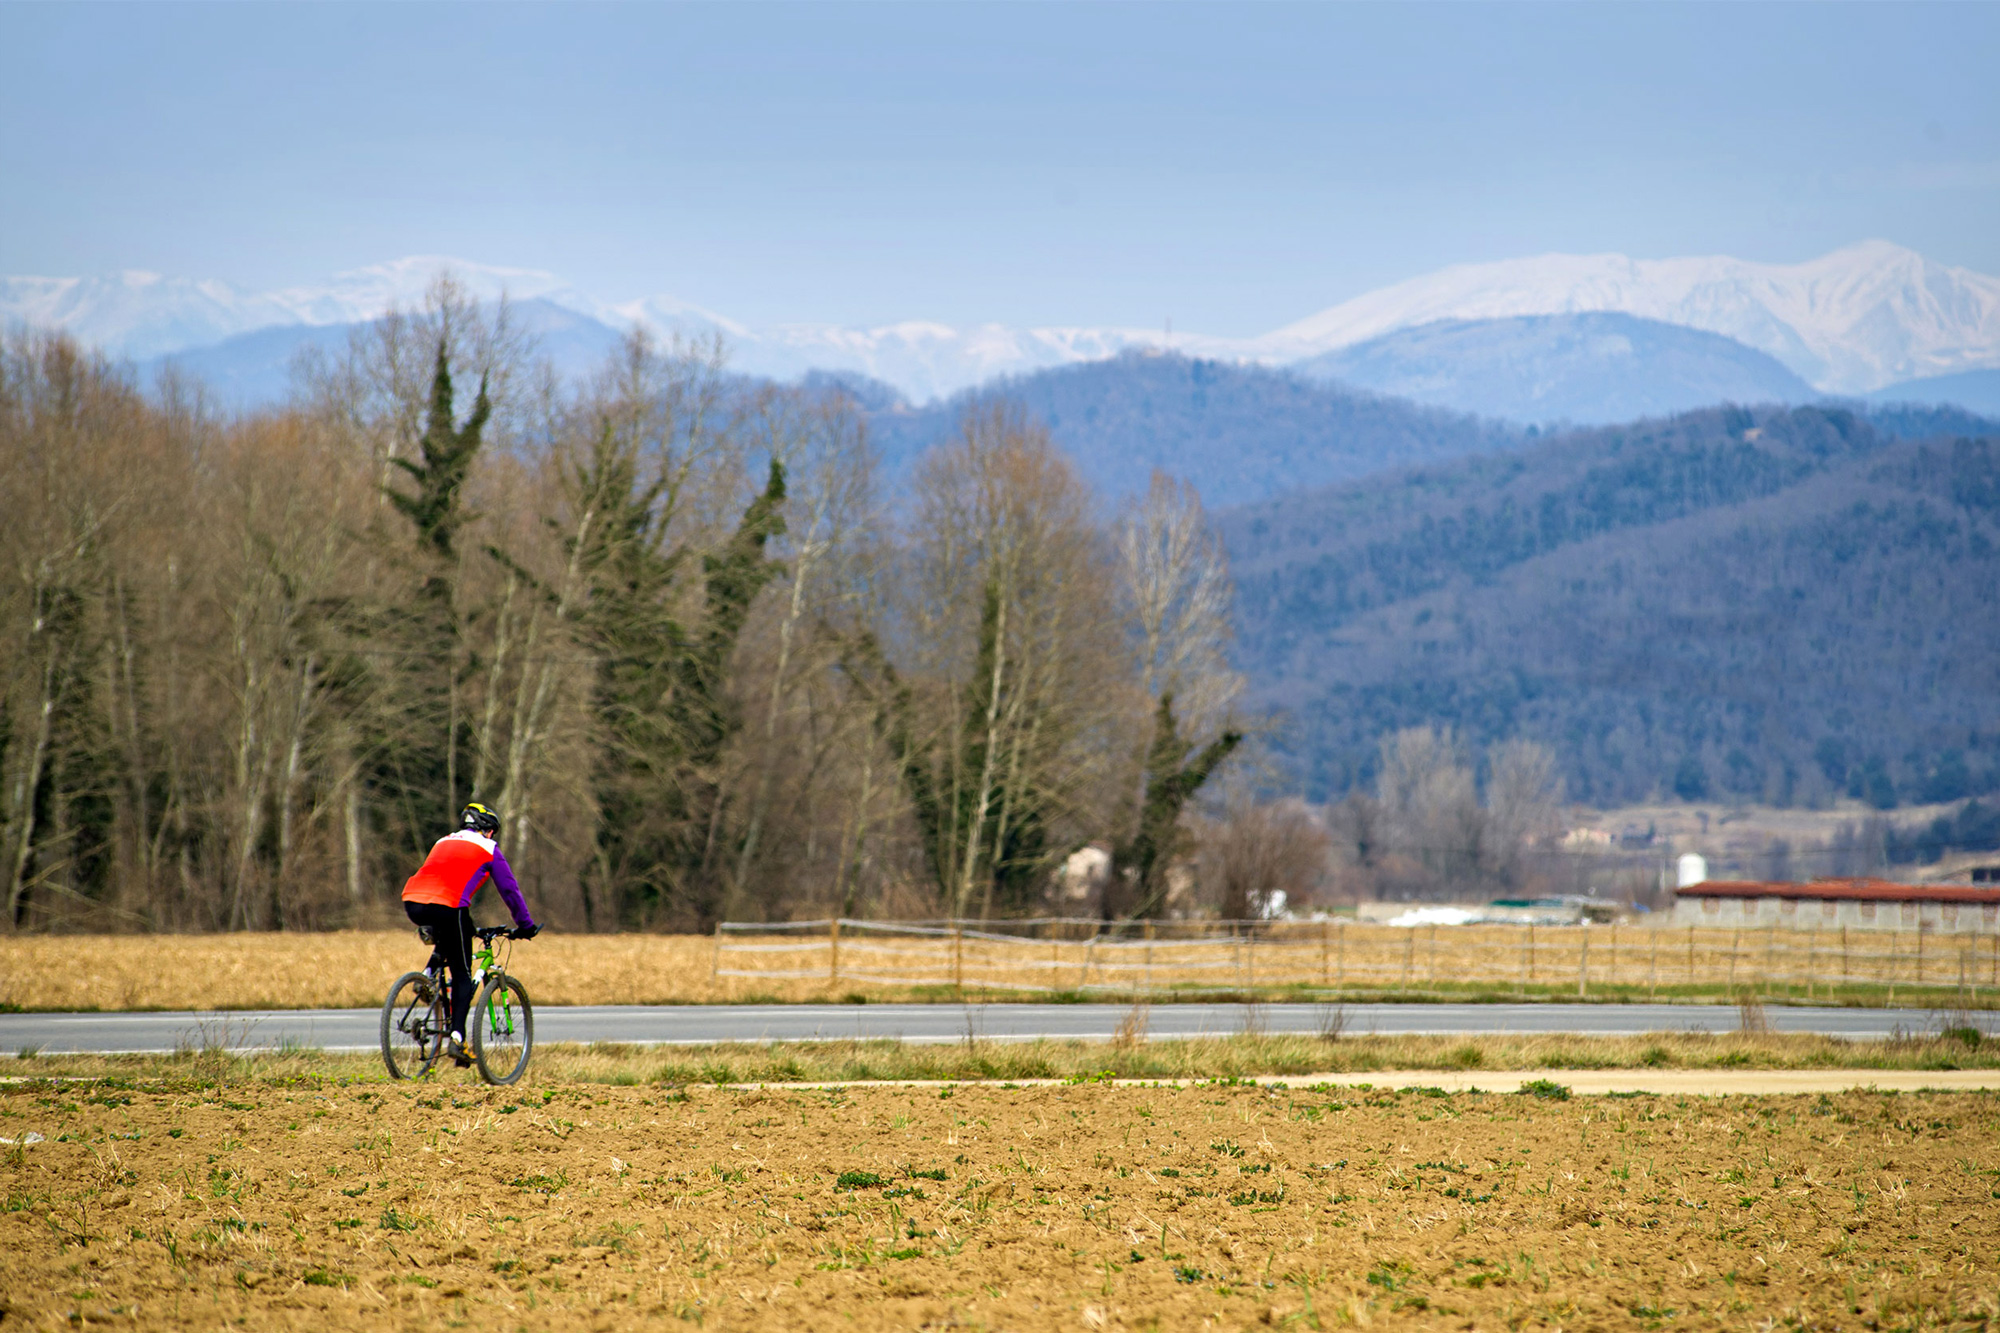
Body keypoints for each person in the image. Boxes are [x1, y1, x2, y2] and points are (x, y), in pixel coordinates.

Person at [401, 802, 540, 1065]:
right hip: (448, 905)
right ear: (487, 830)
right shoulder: (488, 848)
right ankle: (457, 1039)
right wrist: (526, 925)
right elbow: (509, 890)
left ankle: (428, 976)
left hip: (413, 901)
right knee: (463, 974)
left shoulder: (443, 841)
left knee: (457, 933)